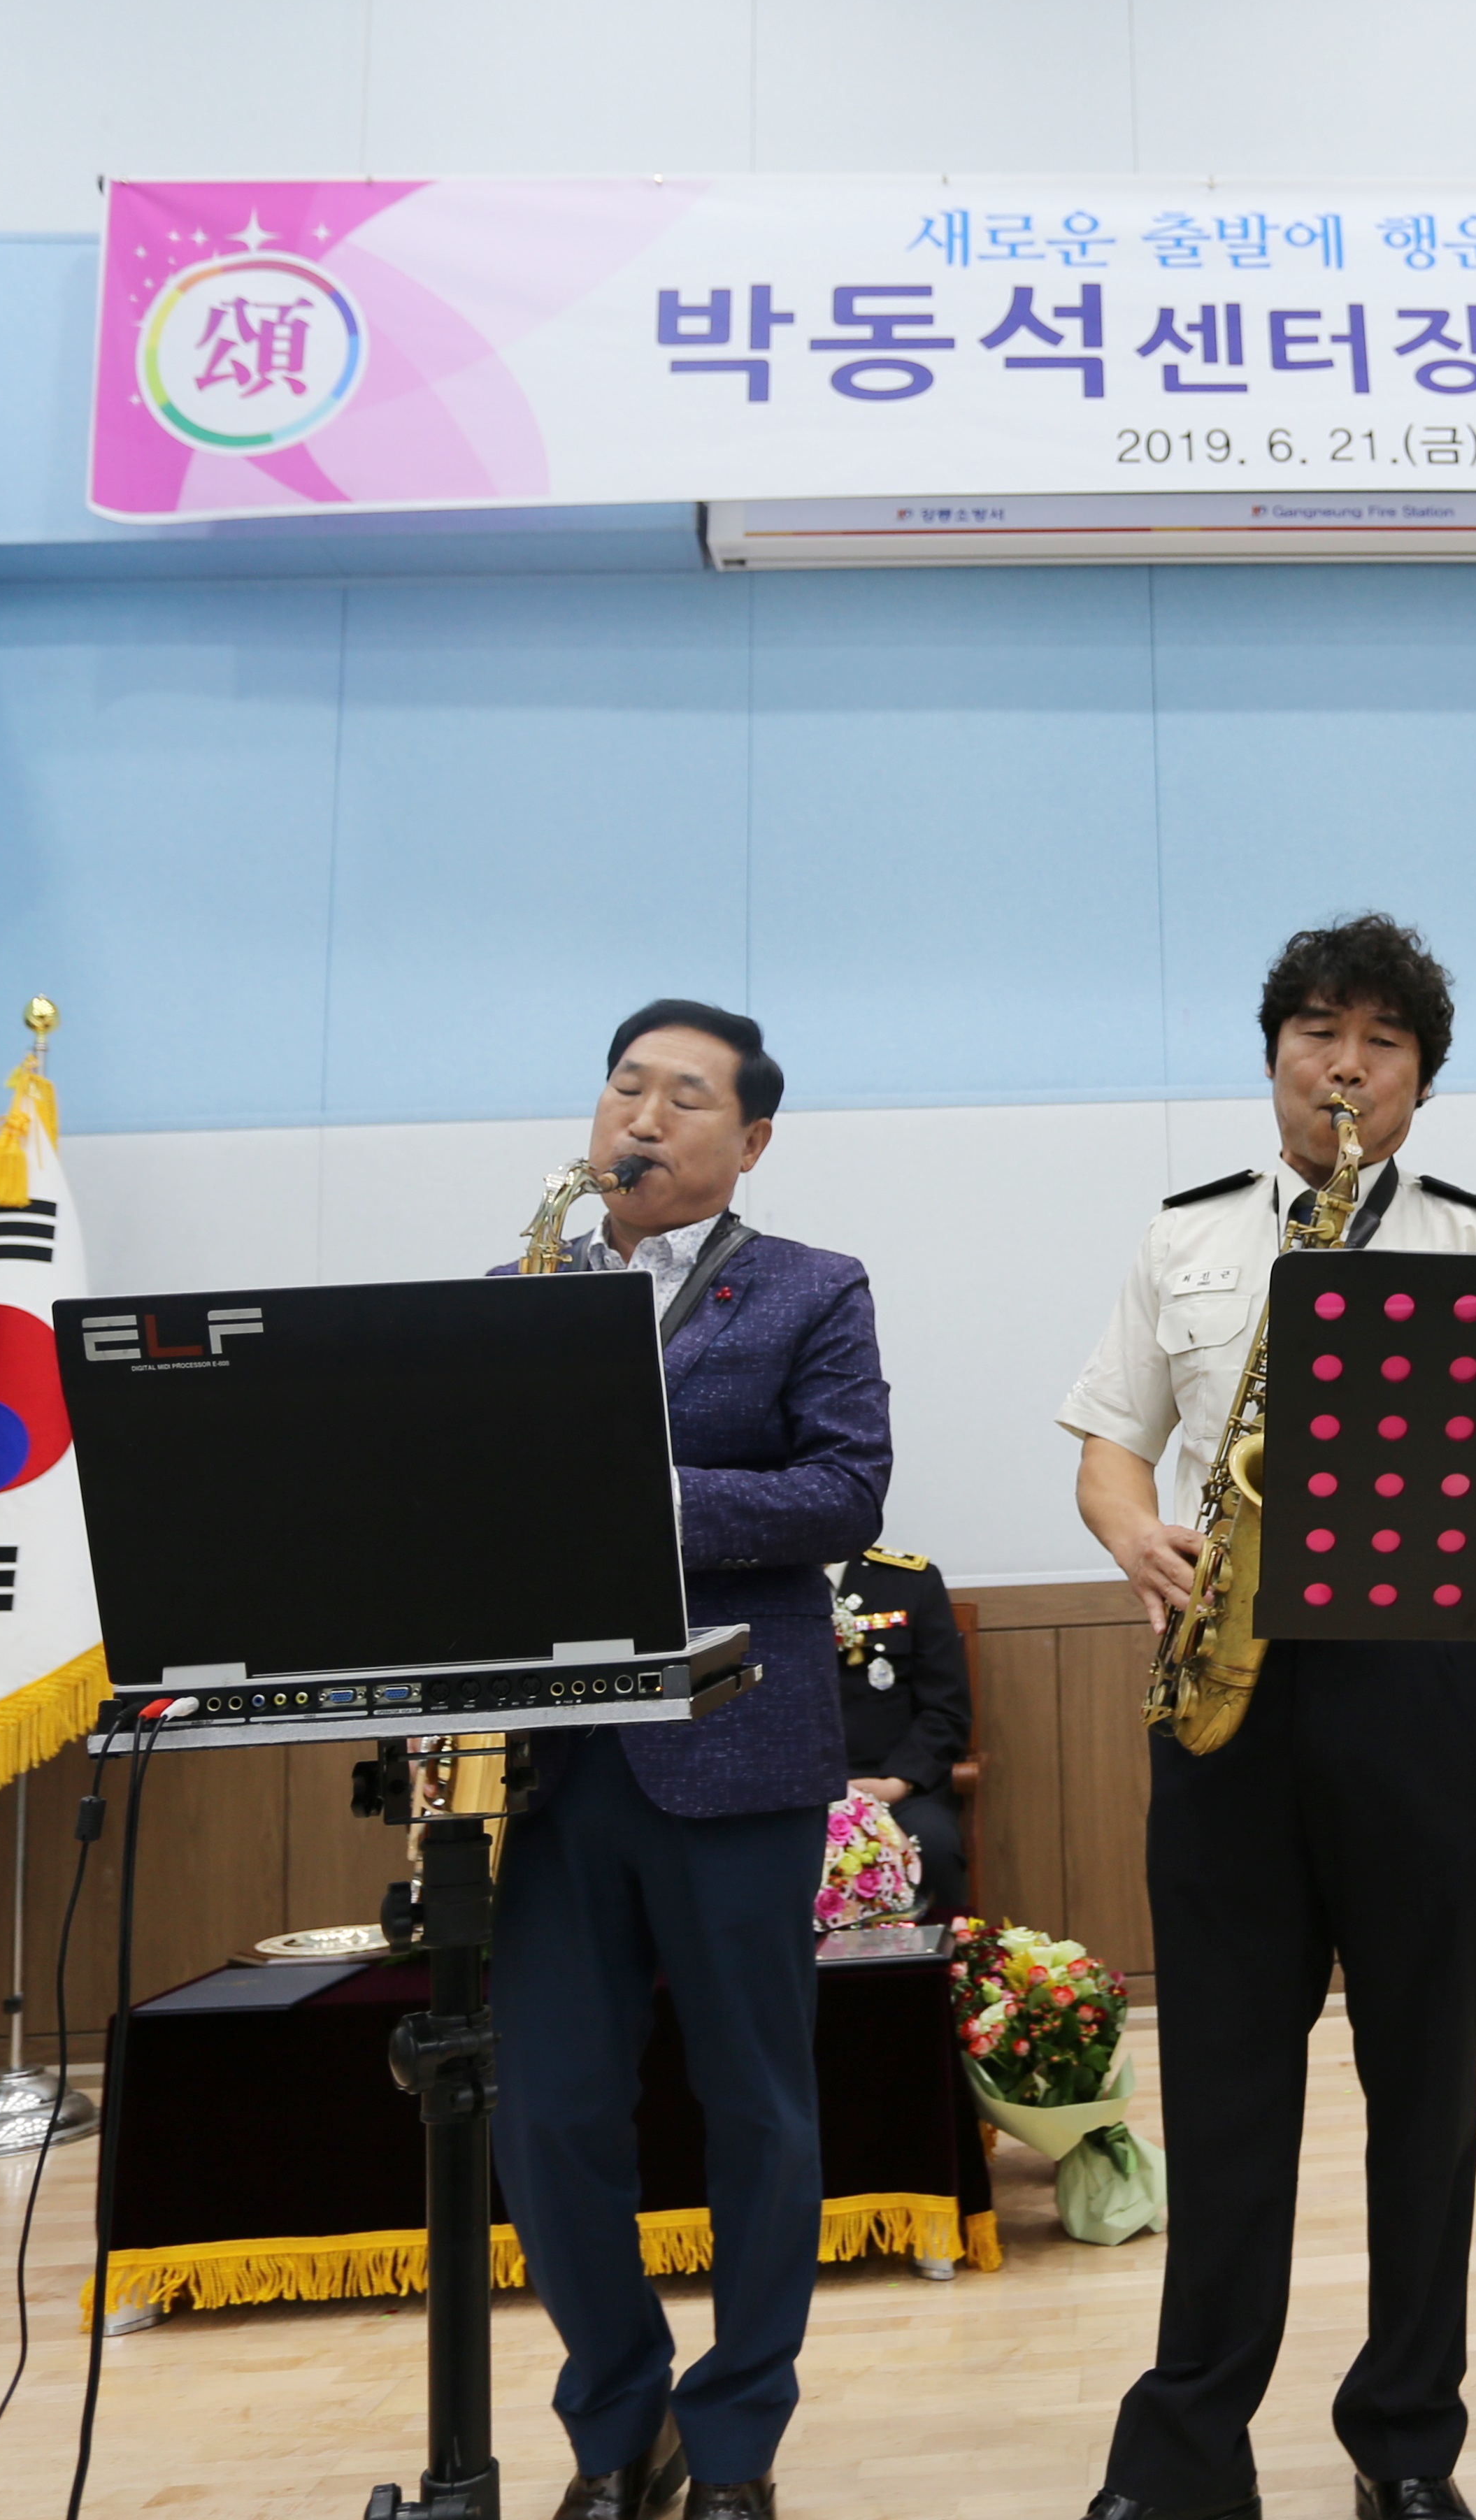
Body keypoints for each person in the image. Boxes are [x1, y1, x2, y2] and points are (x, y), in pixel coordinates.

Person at [1057, 915, 1476, 2520]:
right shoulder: (1185, 1235)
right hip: (1226, 1696)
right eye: (1318, 1032)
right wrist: (1133, 1533)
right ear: (1272, 1058)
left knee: (1427, 2088)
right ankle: (1188, 2450)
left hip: (1422, 1685)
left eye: (1382, 1041)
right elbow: (1112, 1443)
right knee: (1223, 2085)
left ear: (1421, 1082)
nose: (1346, 1064)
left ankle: (1405, 2445)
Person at [491, 999, 892, 2520]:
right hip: (552, 1767)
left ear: (752, 1139)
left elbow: (845, 1491)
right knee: (547, 2111)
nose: (642, 1118)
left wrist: (642, 1497)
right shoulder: (515, 1291)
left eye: (683, 1096)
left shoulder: (813, 1288)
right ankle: (617, 2422)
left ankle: (735, 2444)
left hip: (737, 1747)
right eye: (623, 1088)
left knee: (759, 2108)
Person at [828, 1541, 973, 1913]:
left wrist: (900, 1782)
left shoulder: (910, 1581)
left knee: (935, 1846)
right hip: (792, 1795)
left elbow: (946, 1708)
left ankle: (941, 1951)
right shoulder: (757, 1586)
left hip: (893, 1785)